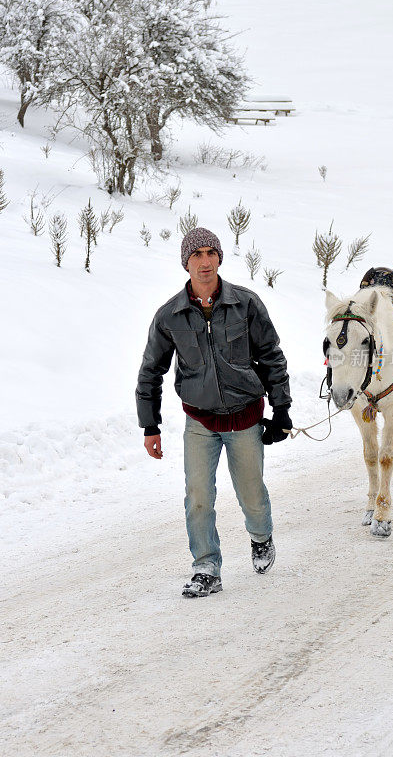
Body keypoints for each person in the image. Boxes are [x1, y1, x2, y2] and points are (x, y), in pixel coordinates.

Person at [136, 227, 292, 598]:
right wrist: (150, 425)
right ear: (186, 263)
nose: (204, 261)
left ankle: (260, 537)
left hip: (245, 417)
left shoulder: (246, 303)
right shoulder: (169, 316)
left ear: (219, 257)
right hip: (201, 422)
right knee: (198, 495)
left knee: (251, 493)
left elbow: (272, 356)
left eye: (210, 253)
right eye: (196, 255)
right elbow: (150, 371)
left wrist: (281, 408)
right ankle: (206, 566)